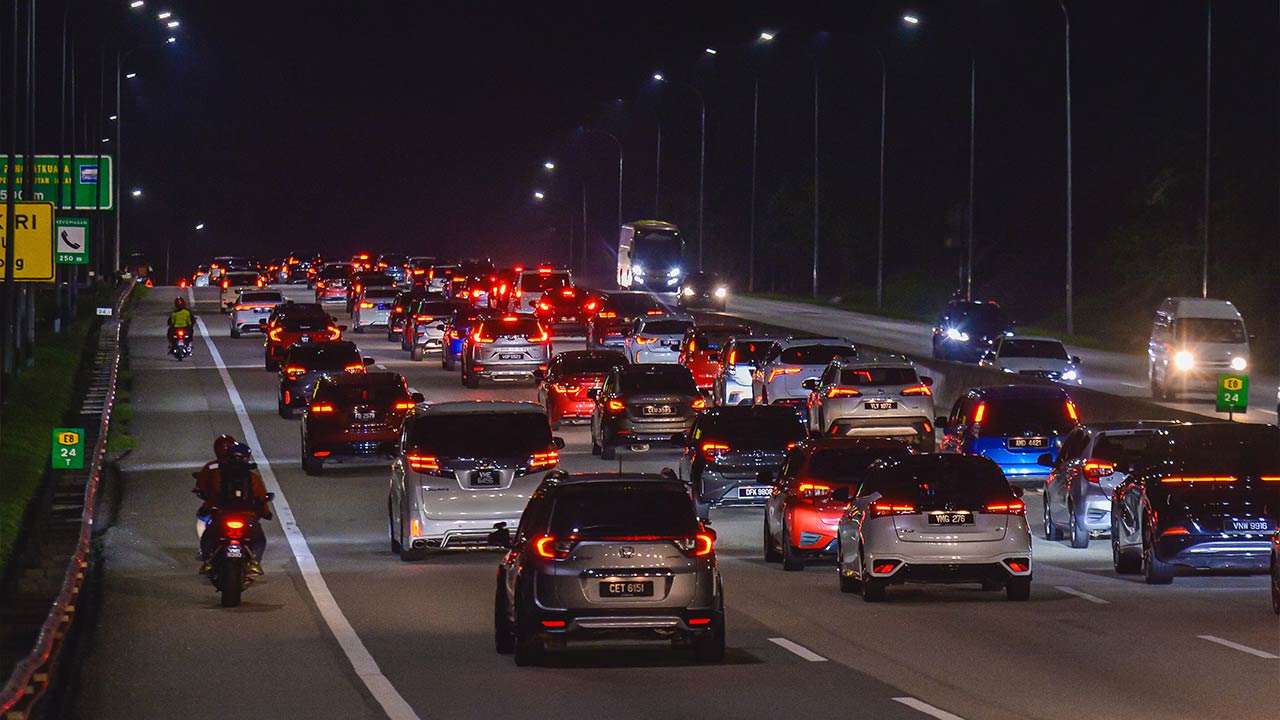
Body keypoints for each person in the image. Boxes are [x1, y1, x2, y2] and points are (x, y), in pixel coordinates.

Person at [197, 442, 274, 574]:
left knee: (208, 536)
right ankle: (255, 562)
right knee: (259, 538)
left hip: (222, 514)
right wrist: (266, 513)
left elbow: (212, 496)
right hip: (247, 516)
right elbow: (261, 498)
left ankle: (208, 561)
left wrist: (206, 508)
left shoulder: (218, 475)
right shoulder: (253, 478)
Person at [193, 434, 238, 542]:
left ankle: (203, 547)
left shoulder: (211, 467)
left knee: (201, 522)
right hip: (239, 505)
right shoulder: (241, 466)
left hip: (215, 504)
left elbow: (200, 485)